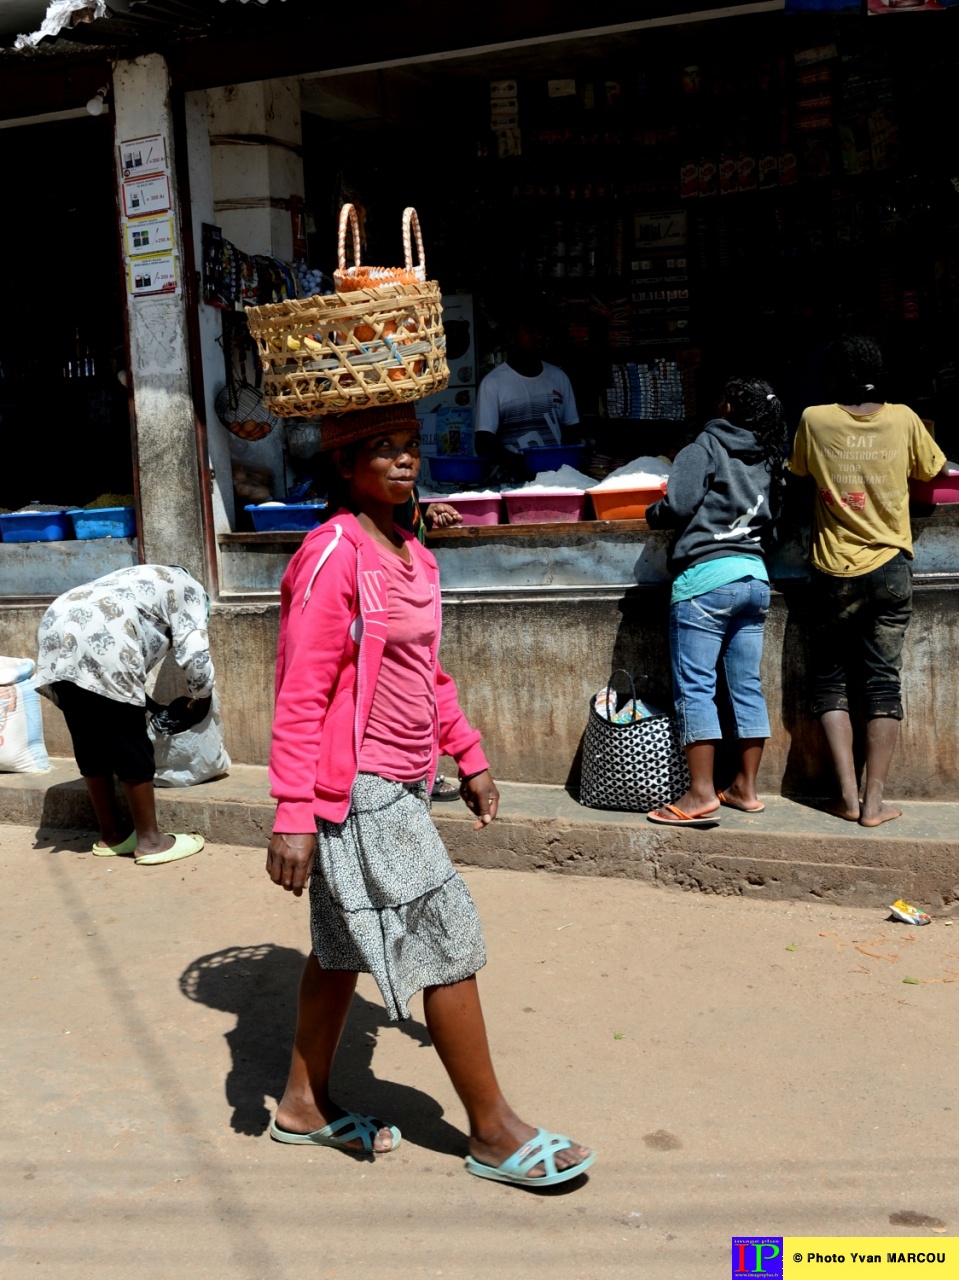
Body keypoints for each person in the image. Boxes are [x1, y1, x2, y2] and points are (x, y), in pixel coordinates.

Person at [265, 402, 594, 1187]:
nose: (404, 462)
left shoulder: (411, 552)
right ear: (345, 467)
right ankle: (491, 1133)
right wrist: (291, 811)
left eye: (409, 447)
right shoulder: (331, 554)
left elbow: (425, 673)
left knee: (341, 949)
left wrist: (468, 754)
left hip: (407, 780)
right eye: (382, 450)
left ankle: (301, 1105)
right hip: (360, 787)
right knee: (445, 936)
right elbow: (300, 689)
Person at [788, 335, 946, 826]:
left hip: (833, 570)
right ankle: (874, 804)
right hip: (892, 567)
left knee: (830, 680)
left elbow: (799, 474)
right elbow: (931, 478)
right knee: (883, 683)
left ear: (835, 376)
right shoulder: (904, 419)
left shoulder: (815, 419)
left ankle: (846, 797)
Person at [644, 378, 786, 826]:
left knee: (697, 689)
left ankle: (700, 794)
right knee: (746, 686)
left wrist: (654, 512)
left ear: (725, 405)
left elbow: (680, 503)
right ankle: (745, 788)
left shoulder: (704, 444)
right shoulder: (769, 454)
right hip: (755, 579)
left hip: (706, 580)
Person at [35, 564, 214, 864]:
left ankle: (110, 835)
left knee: (89, 738)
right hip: (105, 635)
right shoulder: (192, 591)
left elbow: (105, 670)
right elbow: (194, 650)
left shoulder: (139, 579)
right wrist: (202, 696)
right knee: (131, 743)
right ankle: (150, 841)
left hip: (56, 627)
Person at [475, 305, 579, 480]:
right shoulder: (493, 384)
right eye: (530, 331)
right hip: (512, 483)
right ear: (511, 338)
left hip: (556, 481)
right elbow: (484, 443)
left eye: (539, 331)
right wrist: (524, 465)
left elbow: (572, 431)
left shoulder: (559, 378)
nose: (538, 337)